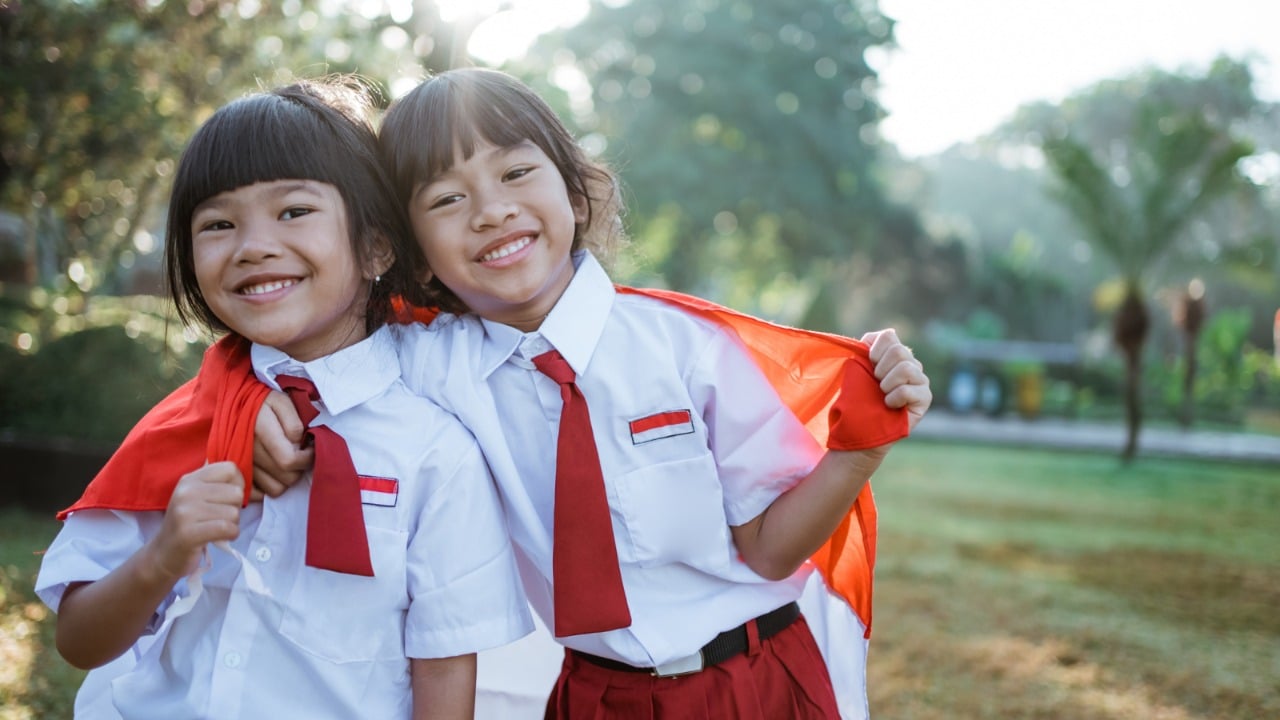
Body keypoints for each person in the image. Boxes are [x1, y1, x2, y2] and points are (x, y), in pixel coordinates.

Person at [256, 67, 932, 719]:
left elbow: (767, 548)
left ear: (577, 195)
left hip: (753, 682)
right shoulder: (427, 364)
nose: (492, 211)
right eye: (447, 199)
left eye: (516, 172)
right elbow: (300, 351)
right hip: (597, 698)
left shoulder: (686, 347)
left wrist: (857, 455)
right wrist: (252, 404)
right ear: (415, 250)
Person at [34, 78, 532, 720]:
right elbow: (78, 642)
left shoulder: (436, 449)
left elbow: (443, 668)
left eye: (293, 211)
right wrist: (164, 555)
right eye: (218, 223)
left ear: (377, 244)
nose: (253, 246)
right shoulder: (183, 426)